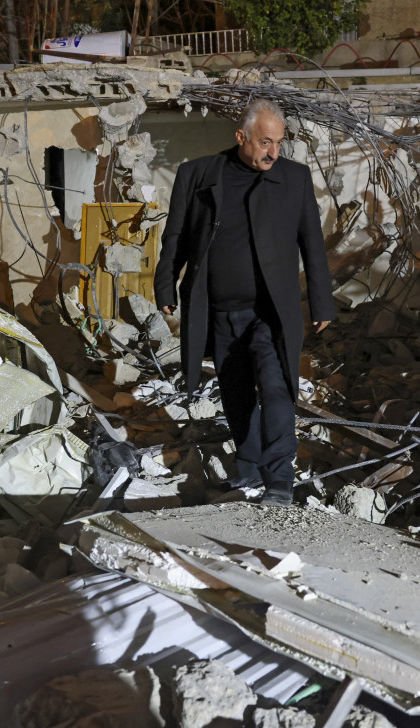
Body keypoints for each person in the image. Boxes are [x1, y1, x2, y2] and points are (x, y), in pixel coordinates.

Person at [154, 99, 335, 506]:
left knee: (276, 388)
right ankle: (249, 471)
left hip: (270, 312)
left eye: (279, 143)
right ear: (242, 138)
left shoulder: (295, 179)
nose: (273, 152)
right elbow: (176, 236)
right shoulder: (198, 175)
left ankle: (279, 479)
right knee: (235, 394)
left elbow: (313, 245)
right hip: (218, 309)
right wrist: (165, 284)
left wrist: (322, 303)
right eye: (265, 142)